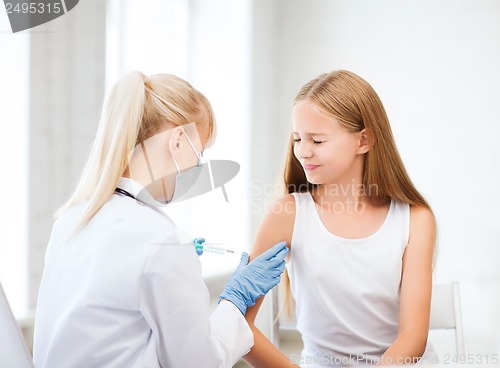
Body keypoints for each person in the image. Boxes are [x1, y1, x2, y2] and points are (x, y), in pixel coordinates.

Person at [32, 71, 289, 368]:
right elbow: (197, 363)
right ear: (179, 140)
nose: (198, 166)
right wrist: (235, 299)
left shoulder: (72, 217)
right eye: (201, 152)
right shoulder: (161, 239)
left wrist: (169, 265)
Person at [244, 70, 436, 367]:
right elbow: (238, 325)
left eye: (318, 141)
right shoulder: (287, 214)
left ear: (364, 140)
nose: (303, 152)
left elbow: (413, 337)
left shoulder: (416, 220)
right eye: (297, 138)